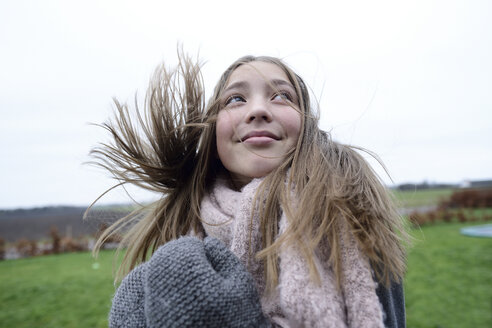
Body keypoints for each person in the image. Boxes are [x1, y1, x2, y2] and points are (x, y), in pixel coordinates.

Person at [90, 52, 409, 327]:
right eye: (236, 99)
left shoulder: (346, 212)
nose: (258, 110)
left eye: (282, 96)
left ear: (306, 126)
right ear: (214, 132)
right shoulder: (184, 230)